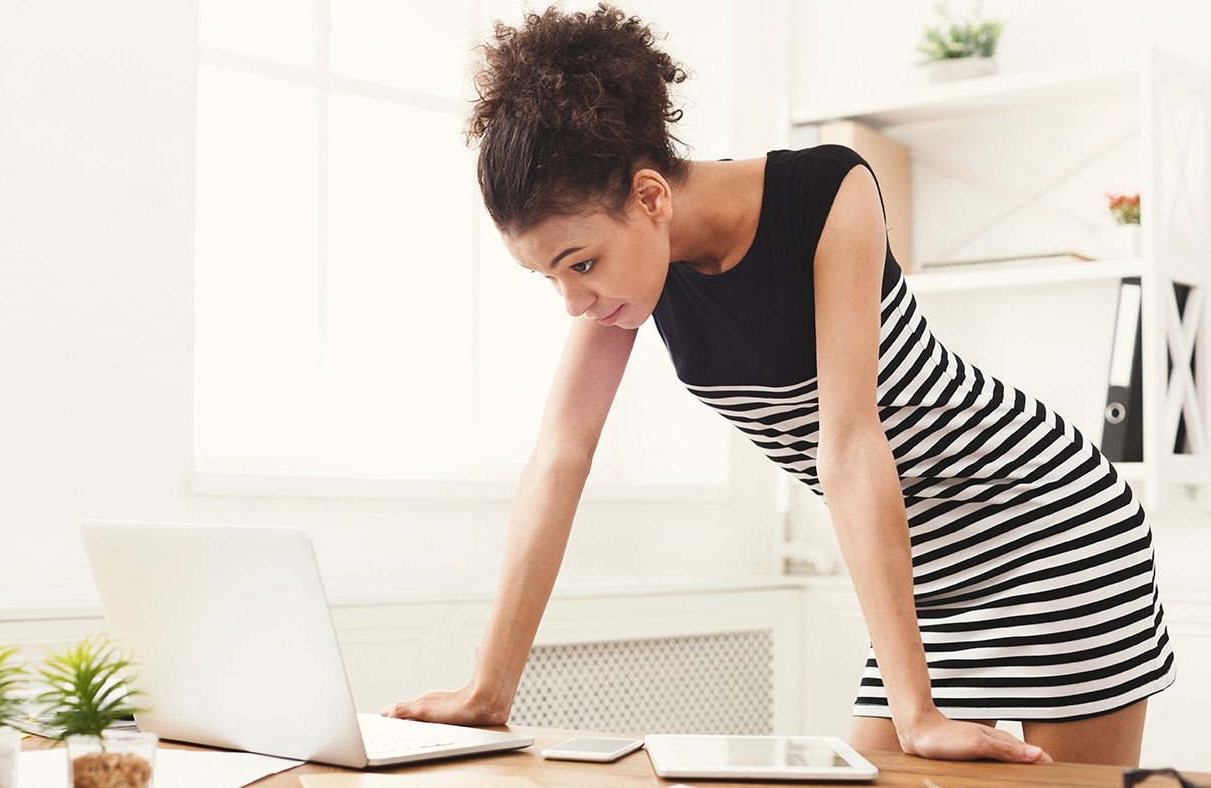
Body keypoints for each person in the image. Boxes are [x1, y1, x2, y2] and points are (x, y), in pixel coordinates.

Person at [380, 3, 1175, 766]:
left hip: (1046, 526)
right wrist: (489, 690)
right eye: (549, 276)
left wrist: (918, 713)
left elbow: (850, 445)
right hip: (922, 575)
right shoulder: (630, 275)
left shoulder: (825, 194)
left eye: (580, 263)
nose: (573, 301)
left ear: (650, 196)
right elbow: (560, 457)